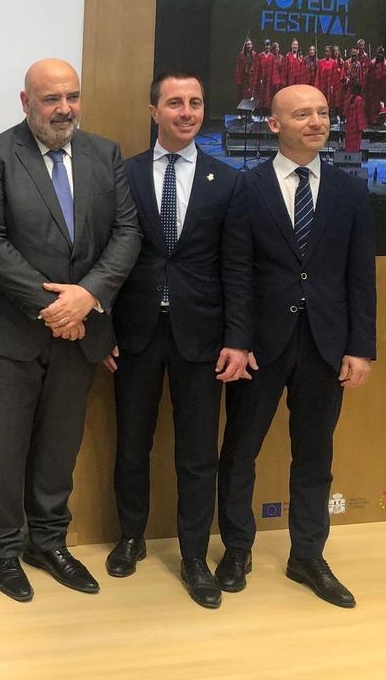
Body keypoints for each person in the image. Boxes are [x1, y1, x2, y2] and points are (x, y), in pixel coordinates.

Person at [0, 58, 140, 603]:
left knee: (59, 449)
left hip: (82, 330)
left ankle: (48, 542)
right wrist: (55, 308)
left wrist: (87, 296)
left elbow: (127, 232)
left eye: (72, 97)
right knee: (2, 450)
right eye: (51, 99)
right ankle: (3, 549)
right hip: (11, 334)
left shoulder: (104, 153)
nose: (65, 109)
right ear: (26, 103)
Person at [217, 84, 375, 608]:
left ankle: (307, 554)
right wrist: (237, 339)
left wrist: (361, 347)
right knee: (241, 451)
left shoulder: (351, 191)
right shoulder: (247, 186)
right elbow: (236, 271)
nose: (316, 122)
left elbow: (360, 276)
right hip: (259, 346)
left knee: (315, 455)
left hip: (326, 345)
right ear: (274, 124)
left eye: (323, 113)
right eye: (302, 113)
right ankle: (237, 549)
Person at [104, 72, 252, 608]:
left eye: (195, 102)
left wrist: (238, 337)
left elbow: (237, 266)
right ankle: (131, 537)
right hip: (135, 333)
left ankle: (193, 555)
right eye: (174, 103)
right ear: (154, 112)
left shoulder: (227, 181)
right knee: (132, 445)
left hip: (203, 337)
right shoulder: (124, 175)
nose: (186, 112)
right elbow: (106, 258)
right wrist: (104, 329)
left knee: (197, 454)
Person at [343, 84, 366, 155]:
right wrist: (361, 126)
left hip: (349, 123)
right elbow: (360, 113)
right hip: (356, 125)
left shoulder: (350, 98)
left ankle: (348, 156)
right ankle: (354, 157)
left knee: (349, 142)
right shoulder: (359, 99)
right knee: (355, 143)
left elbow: (346, 111)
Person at [233, 38, 256, 104]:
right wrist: (238, 79)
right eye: (248, 44)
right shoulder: (241, 55)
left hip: (251, 78)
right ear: (245, 45)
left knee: (251, 95)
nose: (249, 46)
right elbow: (238, 68)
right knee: (242, 95)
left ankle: (250, 109)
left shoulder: (254, 54)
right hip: (243, 78)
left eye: (250, 44)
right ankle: (241, 109)